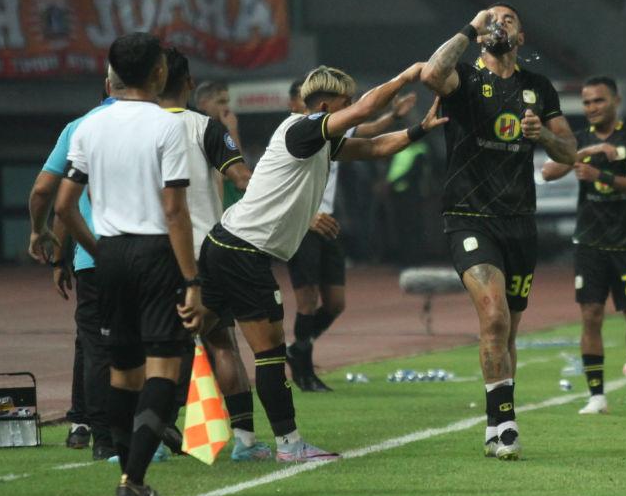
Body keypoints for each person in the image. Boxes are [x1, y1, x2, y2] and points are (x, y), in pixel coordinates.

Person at [200, 63, 446, 462]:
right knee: (269, 352)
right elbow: (366, 113)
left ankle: (230, 442)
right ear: (327, 105)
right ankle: (289, 445)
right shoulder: (302, 128)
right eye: (345, 103)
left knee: (195, 337)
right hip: (244, 251)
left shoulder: (317, 140)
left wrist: (419, 129)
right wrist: (407, 76)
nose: (351, 109)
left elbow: (375, 147)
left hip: (225, 244)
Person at [420, 4, 577, 460]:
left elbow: (570, 152)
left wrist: (542, 138)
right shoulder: (465, 79)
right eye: (492, 20)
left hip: (519, 223)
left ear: (521, 37)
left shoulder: (537, 88)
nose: (498, 24)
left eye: (507, 19)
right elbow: (432, 74)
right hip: (469, 217)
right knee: (492, 316)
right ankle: (507, 427)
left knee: (507, 332)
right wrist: (471, 24)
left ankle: (495, 423)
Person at [55, 32, 207, 496]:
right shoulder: (167, 127)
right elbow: (175, 211)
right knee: (164, 365)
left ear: (112, 72)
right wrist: (192, 281)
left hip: (112, 255)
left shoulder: (89, 127)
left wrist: (97, 251)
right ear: (160, 73)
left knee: (123, 372)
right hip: (157, 254)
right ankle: (133, 480)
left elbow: (64, 205)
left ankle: (126, 470)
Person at [157, 47, 266, 461]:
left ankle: (150, 442)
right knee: (221, 343)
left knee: (155, 349)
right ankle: (245, 443)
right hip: (204, 248)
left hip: (149, 251)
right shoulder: (205, 128)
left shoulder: (130, 127)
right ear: (187, 83)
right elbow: (242, 177)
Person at [283, 78, 417, 391]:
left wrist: (396, 117)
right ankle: (303, 370)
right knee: (307, 301)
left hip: (328, 222)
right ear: (294, 105)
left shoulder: (330, 133)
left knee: (335, 303)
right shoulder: (290, 137)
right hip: (303, 224)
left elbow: (368, 134)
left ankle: (298, 348)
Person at [541, 76, 626, 414]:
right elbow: (548, 171)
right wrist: (585, 152)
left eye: (598, 101)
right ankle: (596, 396)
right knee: (591, 315)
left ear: (615, 101)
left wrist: (600, 175)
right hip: (590, 241)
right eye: (587, 102)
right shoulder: (580, 141)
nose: (591, 108)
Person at [26, 68, 122, 461]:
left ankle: (97, 434)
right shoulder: (157, 122)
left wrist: (42, 235)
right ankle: (151, 426)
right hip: (148, 253)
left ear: (106, 85)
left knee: (95, 345)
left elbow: (50, 195)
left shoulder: (80, 127)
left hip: (93, 255)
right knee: (150, 341)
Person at [194, 80, 246, 210]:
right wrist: (232, 128)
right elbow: (237, 174)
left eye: (227, 102)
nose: (226, 107)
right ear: (203, 104)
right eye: (221, 102)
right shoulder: (200, 131)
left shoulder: (221, 130)